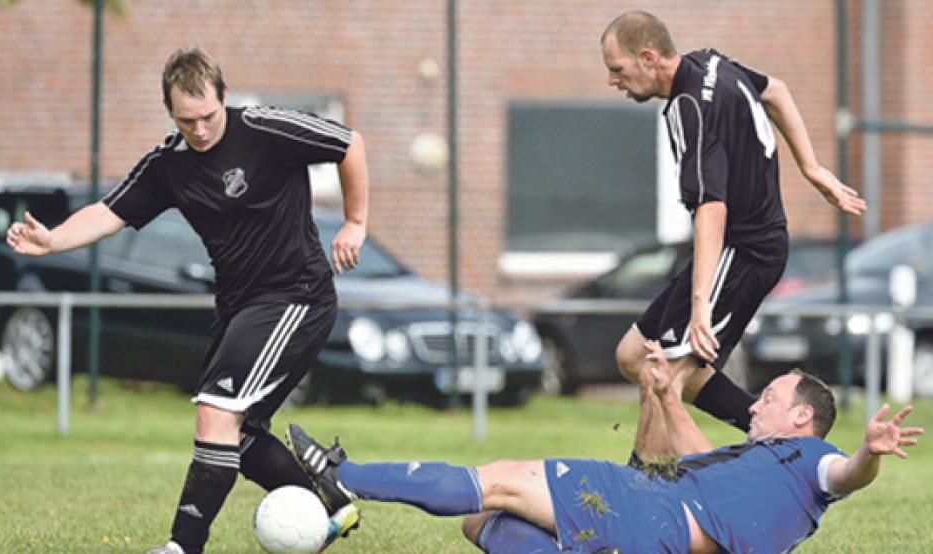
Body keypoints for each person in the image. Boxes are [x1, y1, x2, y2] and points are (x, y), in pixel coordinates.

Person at [5, 47, 370, 554]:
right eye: (186, 121)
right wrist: (51, 240)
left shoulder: (266, 128)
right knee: (236, 438)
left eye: (208, 117)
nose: (199, 130)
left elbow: (349, 143)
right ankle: (328, 500)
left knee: (217, 414)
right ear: (170, 112)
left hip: (295, 296)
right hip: (238, 306)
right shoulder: (169, 165)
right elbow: (109, 211)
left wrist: (354, 222)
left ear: (224, 97)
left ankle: (183, 547)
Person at [287, 341, 923, 553]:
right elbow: (689, 464)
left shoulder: (815, 462)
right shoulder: (759, 465)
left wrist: (869, 450)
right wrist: (663, 395)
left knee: (501, 481)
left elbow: (847, 475)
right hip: (657, 511)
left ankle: (344, 476)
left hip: (652, 515)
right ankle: (345, 490)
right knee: (480, 521)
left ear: (803, 418)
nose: (755, 403)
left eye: (771, 399)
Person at [601, 11, 868, 433]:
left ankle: (649, 483)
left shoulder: (687, 109)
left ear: (648, 57)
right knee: (634, 354)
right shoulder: (711, 62)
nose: (613, 81)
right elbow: (776, 91)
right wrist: (811, 166)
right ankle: (776, 439)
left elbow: (712, 208)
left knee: (662, 375)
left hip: (745, 251)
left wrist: (699, 306)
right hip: (741, 249)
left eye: (617, 69)